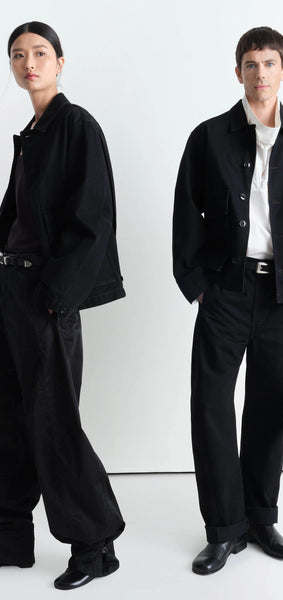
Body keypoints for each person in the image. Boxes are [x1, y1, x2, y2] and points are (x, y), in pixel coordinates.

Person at [173, 26, 283, 575]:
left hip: (282, 295)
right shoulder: (208, 138)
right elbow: (186, 214)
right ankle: (224, 529)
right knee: (211, 407)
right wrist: (197, 284)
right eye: (251, 64)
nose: (261, 73)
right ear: (238, 72)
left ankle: (261, 518)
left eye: (270, 63)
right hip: (225, 289)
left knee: (271, 406)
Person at [0, 22, 126, 590]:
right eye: (17, 55)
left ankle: (95, 545)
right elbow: (15, 217)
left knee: (53, 424)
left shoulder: (76, 126)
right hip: (11, 291)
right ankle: (9, 537)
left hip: (44, 297)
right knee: (9, 420)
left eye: (40, 53)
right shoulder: (31, 132)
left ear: (60, 62)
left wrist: (56, 297)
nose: (28, 63)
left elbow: (94, 219)